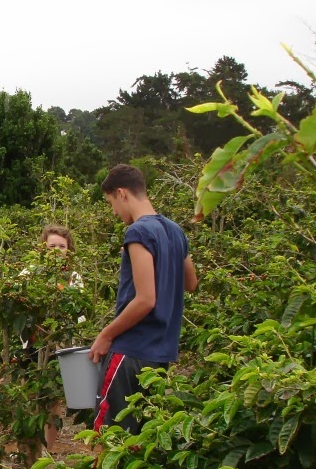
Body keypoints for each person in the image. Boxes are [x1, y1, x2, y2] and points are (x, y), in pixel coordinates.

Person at [88, 165, 198, 435]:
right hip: (160, 354)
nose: (114, 212)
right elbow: (191, 283)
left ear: (121, 194)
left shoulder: (138, 232)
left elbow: (145, 299)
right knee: (144, 437)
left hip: (131, 350)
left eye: (111, 203)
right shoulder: (174, 231)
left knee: (109, 435)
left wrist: (106, 334)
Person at [38, 224, 84, 451]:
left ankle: (48, 450)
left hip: (60, 346)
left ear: (69, 250)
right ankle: (29, 449)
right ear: (43, 248)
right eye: (52, 246)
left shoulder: (74, 278)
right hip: (33, 346)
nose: (57, 250)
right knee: (30, 397)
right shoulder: (30, 273)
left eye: (62, 246)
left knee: (53, 402)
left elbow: (81, 314)